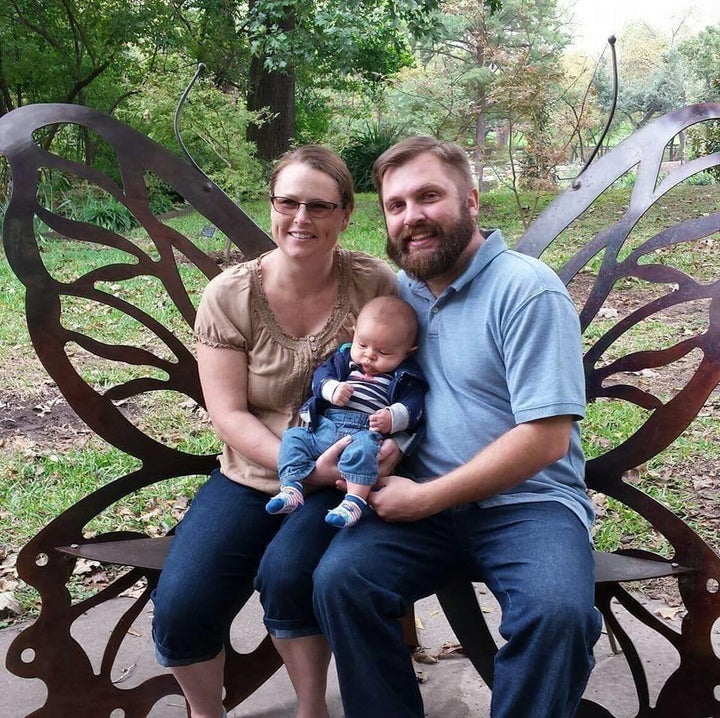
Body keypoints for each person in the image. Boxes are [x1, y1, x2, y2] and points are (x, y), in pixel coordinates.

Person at [312, 136, 603, 718]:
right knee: (341, 580)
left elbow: (545, 438)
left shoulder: (527, 291)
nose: (411, 217)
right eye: (396, 205)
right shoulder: (404, 297)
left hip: (529, 505)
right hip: (426, 507)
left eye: (428, 197)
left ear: (471, 199)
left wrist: (425, 499)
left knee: (557, 616)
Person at [150, 145, 399, 718]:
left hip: (344, 479)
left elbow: (409, 376)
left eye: (319, 205)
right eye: (288, 202)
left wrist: (377, 455)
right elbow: (229, 414)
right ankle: (204, 713)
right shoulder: (231, 295)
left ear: (345, 213)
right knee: (183, 604)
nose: (301, 219)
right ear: (271, 207)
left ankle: (312, 709)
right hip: (251, 472)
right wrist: (305, 469)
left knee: (289, 576)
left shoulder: (374, 285)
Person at [266, 295, 427, 528]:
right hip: (325, 427)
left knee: (364, 453)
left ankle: (354, 501)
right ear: (354, 335)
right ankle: (291, 486)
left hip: (364, 433)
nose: (369, 355)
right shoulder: (343, 360)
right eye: (362, 345)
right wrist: (332, 389)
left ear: (407, 353)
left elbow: (414, 406)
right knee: (293, 438)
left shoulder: (405, 377)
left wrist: (393, 417)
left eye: (383, 353)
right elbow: (320, 377)